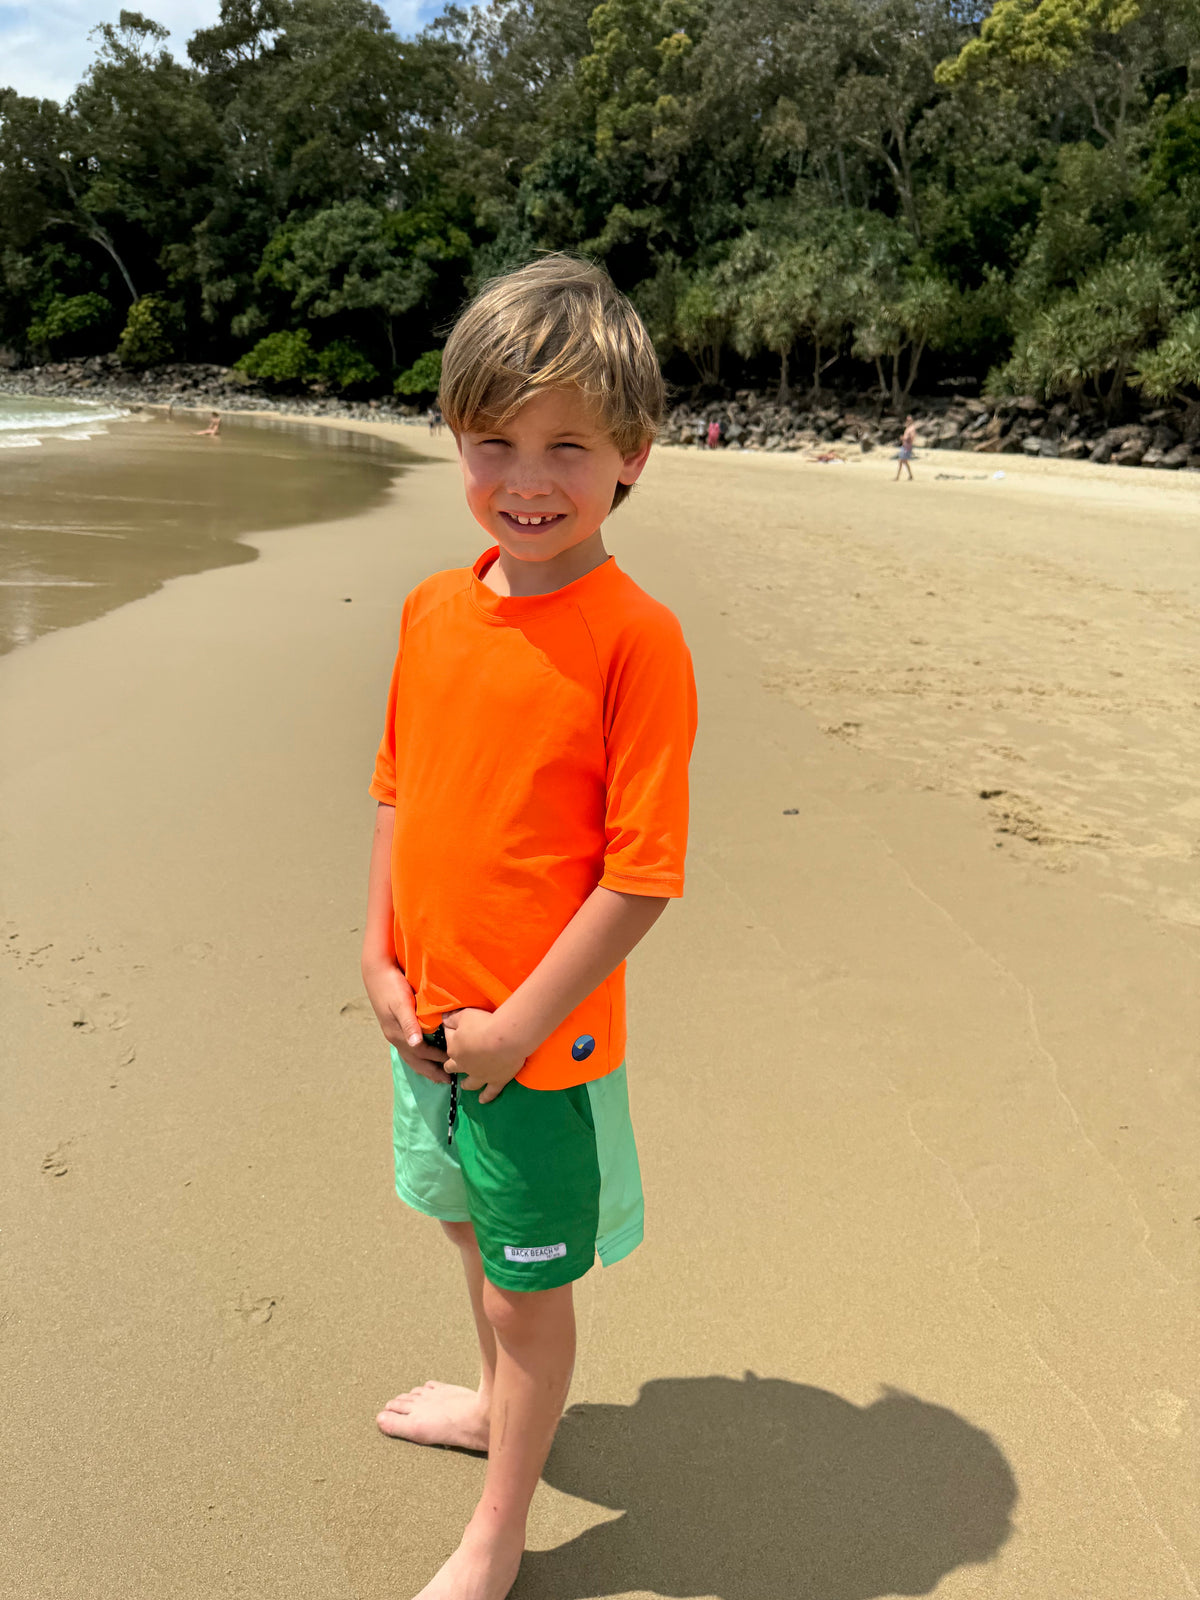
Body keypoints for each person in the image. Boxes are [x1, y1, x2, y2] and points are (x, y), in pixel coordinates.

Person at [361, 254, 698, 1600]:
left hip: (535, 1049)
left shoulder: (635, 639)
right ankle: (499, 1417)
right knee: (462, 1232)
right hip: (428, 1018)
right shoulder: (435, 609)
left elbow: (641, 875)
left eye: (568, 444)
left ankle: (497, 1533)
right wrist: (374, 955)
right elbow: (398, 791)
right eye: (492, 441)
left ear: (633, 458)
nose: (527, 477)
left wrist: (518, 1024)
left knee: (527, 1286)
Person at [895, 414, 916, 480]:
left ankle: (897, 477)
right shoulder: (908, 428)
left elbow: (912, 437)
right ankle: (910, 476)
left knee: (901, 460)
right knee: (904, 461)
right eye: (907, 420)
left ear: (912, 421)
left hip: (907, 446)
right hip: (905, 445)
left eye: (909, 420)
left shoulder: (912, 428)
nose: (907, 421)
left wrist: (905, 439)